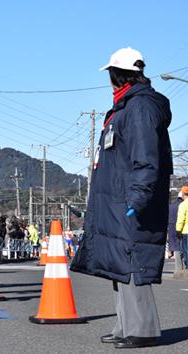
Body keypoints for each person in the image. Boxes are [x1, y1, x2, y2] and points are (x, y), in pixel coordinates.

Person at [70, 47, 173, 349]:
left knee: (132, 263)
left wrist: (137, 198)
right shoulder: (125, 107)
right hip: (116, 199)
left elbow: (146, 157)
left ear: (116, 74)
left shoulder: (139, 107)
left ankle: (144, 329)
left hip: (129, 200)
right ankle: (125, 326)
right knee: (120, 264)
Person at [175, 186, 188, 269]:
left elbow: (181, 219)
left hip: (186, 231)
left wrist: (178, 230)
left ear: (183, 194)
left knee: (186, 250)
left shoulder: (183, 205)